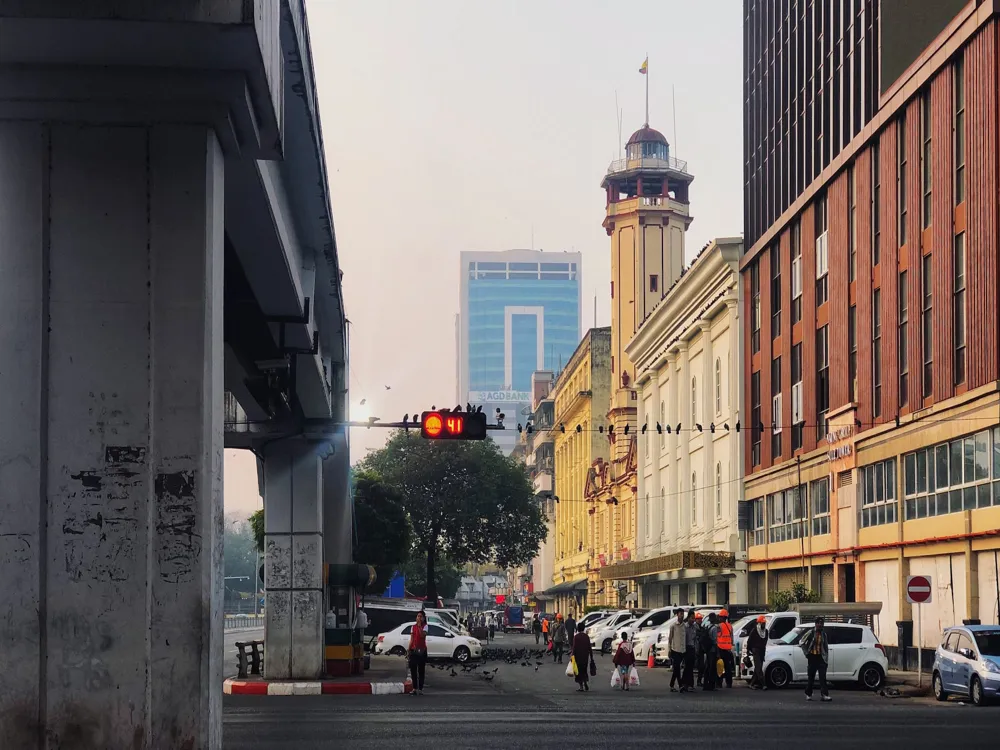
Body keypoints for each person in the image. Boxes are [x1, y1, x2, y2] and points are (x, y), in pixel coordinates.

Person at [800, 617, 832, 702]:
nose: (821, 625)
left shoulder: (824, 634)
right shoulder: (810, 632)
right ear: (816, 624)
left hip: (821, 657)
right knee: (811, 677)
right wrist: (807, 653)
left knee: (823, 677)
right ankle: (808, 694)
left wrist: (826, 659)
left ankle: (824, 695)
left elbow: (826, 647)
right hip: (812, 657)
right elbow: (801, 642)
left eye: (822, 624)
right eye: (819, 623)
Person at [408, 611, 429, 696]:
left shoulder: (425, 626)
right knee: (413, 669)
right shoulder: (413, 627)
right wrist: (409, 649)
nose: (419, 618)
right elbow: (412, 639)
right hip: (414, 650)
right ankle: (414, 688)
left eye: (421, 616)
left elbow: (422, 636)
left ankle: (420, 688)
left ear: (423, 618)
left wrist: (420, 626)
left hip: (422, 650)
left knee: (421, 670)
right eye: (418, 616)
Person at [746, 615, 770, 690]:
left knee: (757, 668)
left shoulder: (766, 631)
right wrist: (748, 651)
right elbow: (749, 641)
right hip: (755, 651)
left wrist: (763, 653)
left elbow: (765, 643)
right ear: (759, 623)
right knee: (759, 668)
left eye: (764, 623)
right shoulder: (754, 631)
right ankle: (763, 684)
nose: (764, 624)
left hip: (762, 652)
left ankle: (752, 683)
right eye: (762, 623)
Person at [666, 608, 686, 692]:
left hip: (683, 650)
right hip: (675, 650)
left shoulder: (685, 626)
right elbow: (670, 639)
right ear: (677, 615)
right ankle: (681, 685)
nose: (682, 615)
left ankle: (671, 685)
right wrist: (669, 649)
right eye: (680, 613)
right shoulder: (673, 626)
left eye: (682, 614)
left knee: (676, 669)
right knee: (677, 667)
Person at [716, 609, 735, 688]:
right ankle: (729, 683)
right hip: (728, 649)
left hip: (720, 648)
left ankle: (719, 683)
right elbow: (731, 637)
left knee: (720, 666)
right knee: (728, 667)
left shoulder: (719, 626)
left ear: (722, 617)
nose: (719, 618)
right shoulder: (730, 626)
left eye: (720, 617)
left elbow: (716, 637)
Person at [572, 622, 593, 692]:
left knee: (578, 672)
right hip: (585, 657)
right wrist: (591, 657)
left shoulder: (576, 637)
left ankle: (581, 686)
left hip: (578, 657)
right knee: (584, 670)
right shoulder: (586, 637)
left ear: (578, 629)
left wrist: (572, 656)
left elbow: (574, 647)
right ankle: (585, 682)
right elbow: (589, 648)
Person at [682, 609, 698, 691]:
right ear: (688, 618)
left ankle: (690, 684)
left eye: (694, 618)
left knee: (691, 667)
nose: (693, 620)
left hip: (692, 648)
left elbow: (696, 638)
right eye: (691, 618)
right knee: (687, 667)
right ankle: (685, 684)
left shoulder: (695, 627)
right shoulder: (685, 627)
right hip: (686, 648)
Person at [702, 612, 719, 691]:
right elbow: (715, 641)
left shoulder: (707, 626)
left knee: (707, 667)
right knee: (712, 668)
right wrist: (717, 652)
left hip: (707, 649)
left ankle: (705, 684)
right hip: (712, 650)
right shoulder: (714, 628)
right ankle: (711, 685)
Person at [693, 612, 706, 686]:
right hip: (695, 649)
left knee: (701, 666)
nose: (700, 620)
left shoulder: (701, 628)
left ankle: (699, 681)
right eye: (699, 619)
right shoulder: (695, 628)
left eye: (700, 619)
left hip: (700, 649)